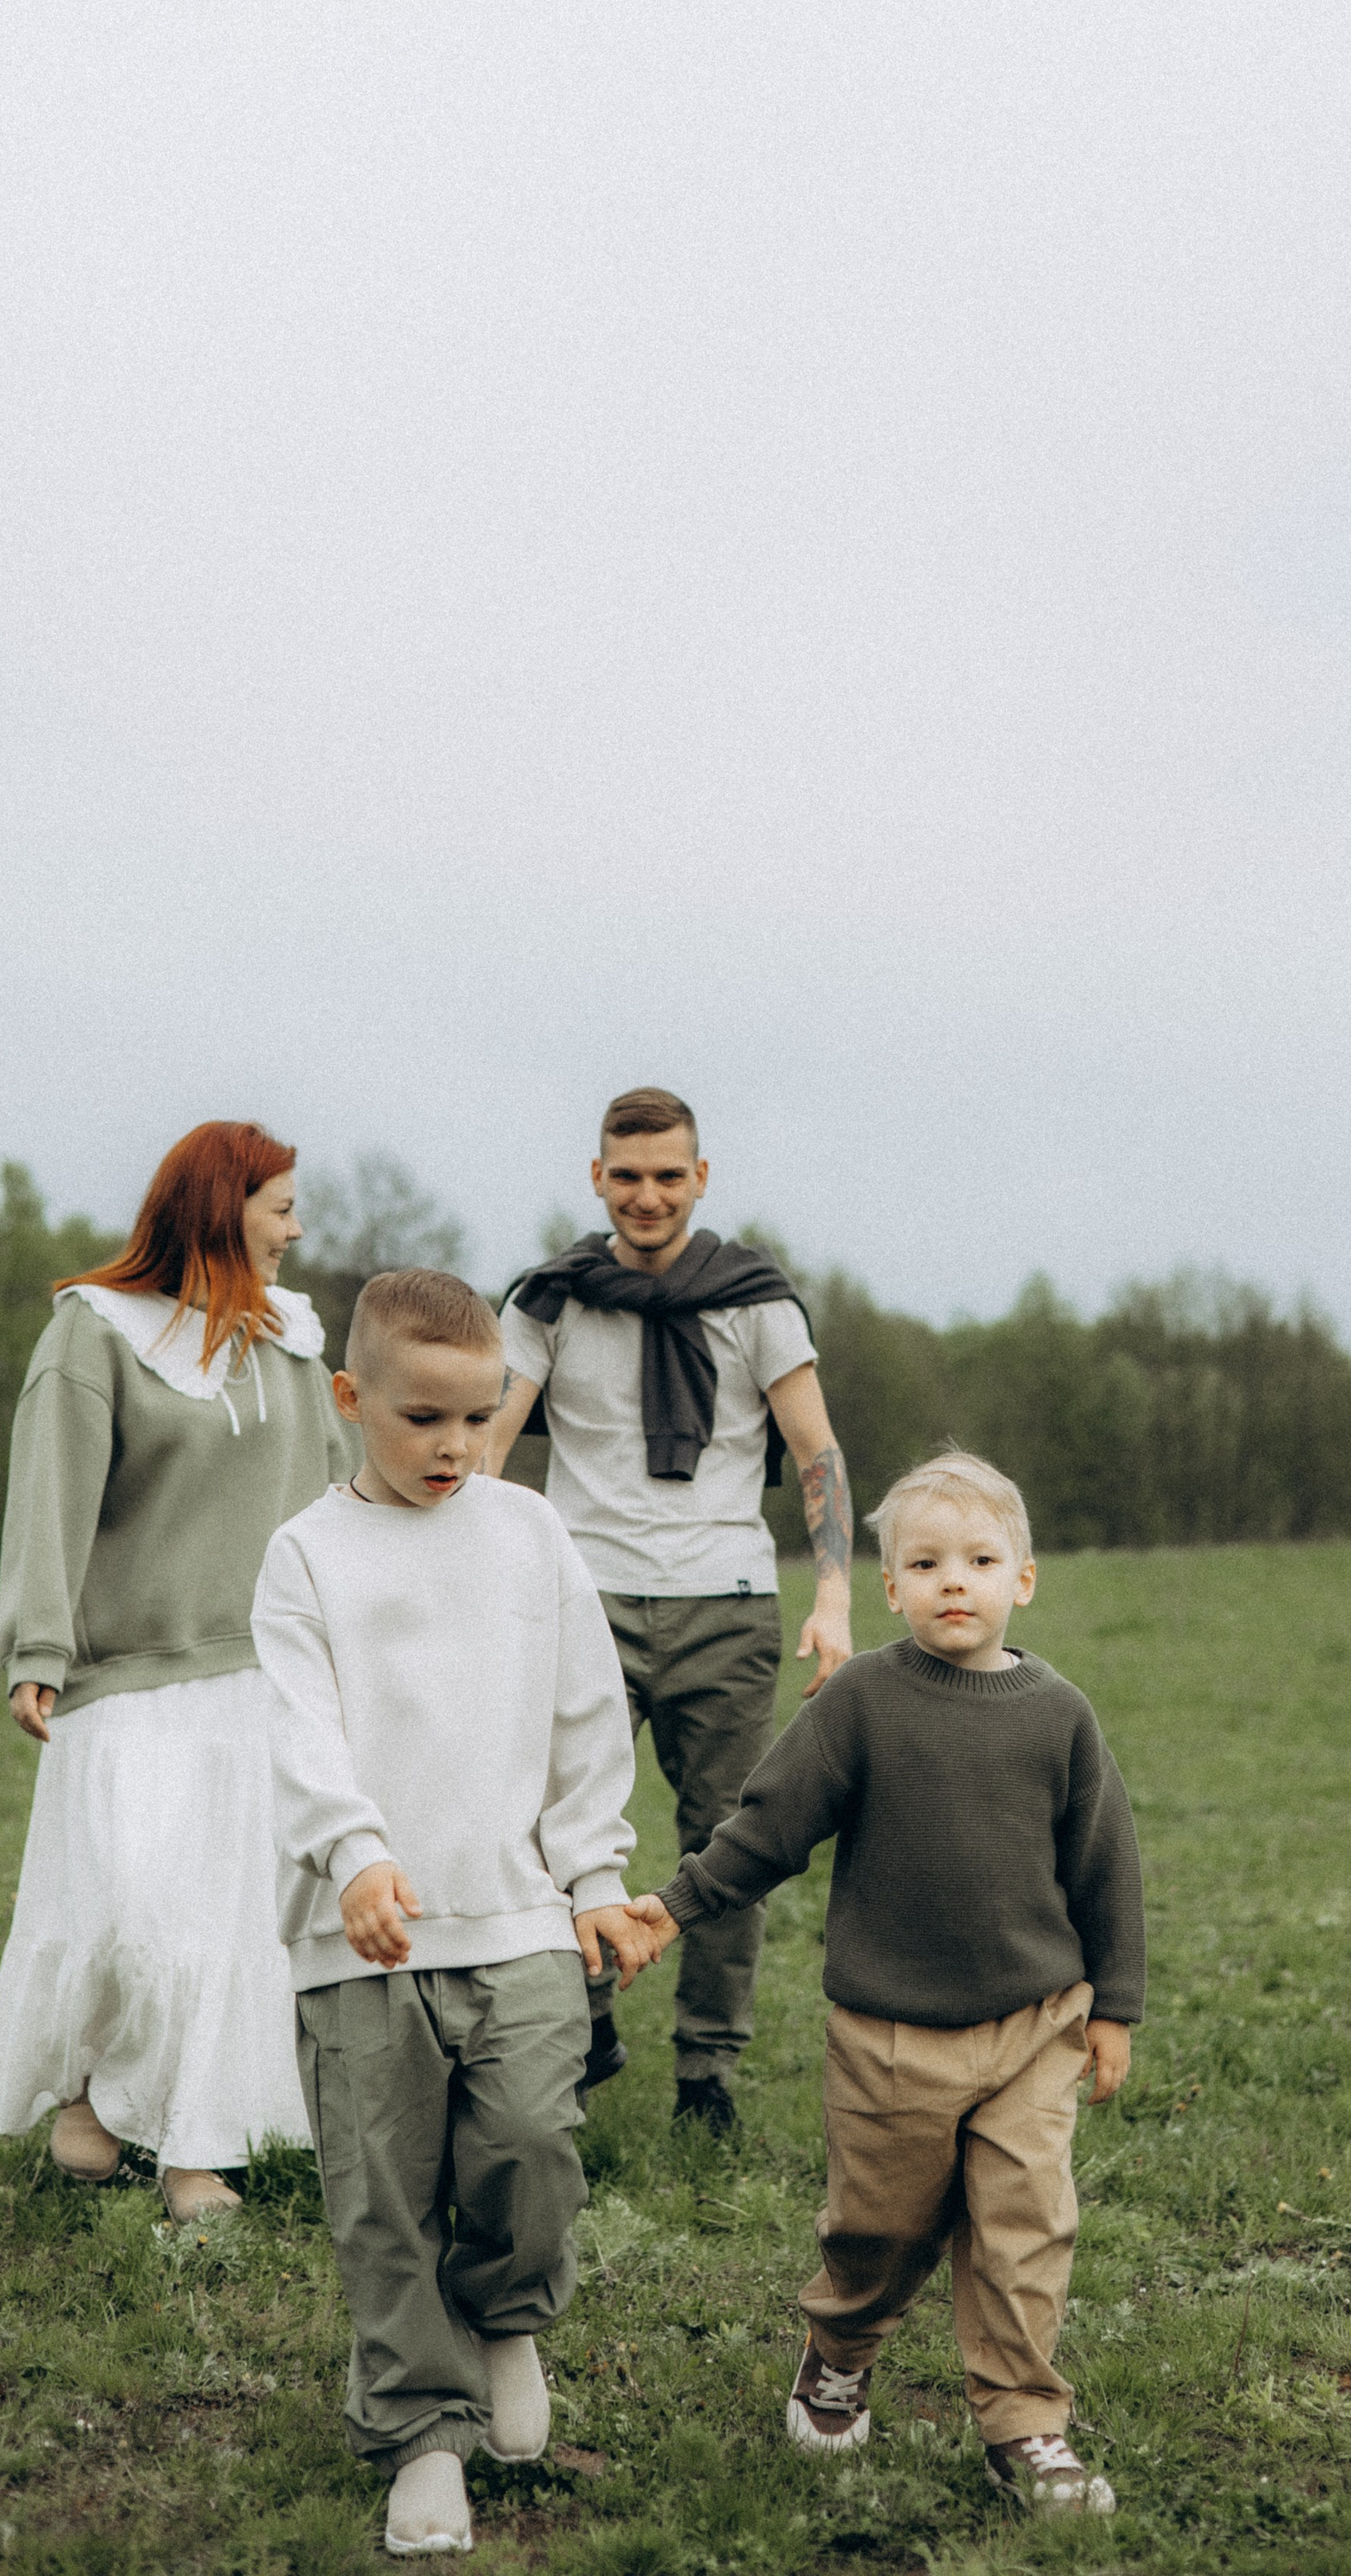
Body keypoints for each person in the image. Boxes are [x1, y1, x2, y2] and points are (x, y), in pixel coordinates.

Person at [629, 1450, 1145, 2515]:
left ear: (1025, 1579)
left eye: (981, 1559)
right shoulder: (863, 1700)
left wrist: (1115, 2010)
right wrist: (676, 1907)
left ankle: (1026, 2429)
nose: (955, 1581)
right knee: (882, 2228)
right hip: (890, 2036)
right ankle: (841, 2350)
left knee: (1025, 2226)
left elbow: (1106, 1869)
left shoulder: (1060, 1717)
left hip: (1035, 2024)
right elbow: (770, 1826)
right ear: (891, 1587)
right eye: (926, 1562)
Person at [252, 1267, 656, 2561]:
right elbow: (301, 1729)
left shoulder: (529, 1534)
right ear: (351, 1397)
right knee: (384, 2200)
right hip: (358, 1934)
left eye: (481, 1420)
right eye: (424, 1419)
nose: (458, 1448)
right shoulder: (306, 1555)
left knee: (531, 2143)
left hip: (521, 1918)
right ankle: (423, 2436)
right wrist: (356, 1858)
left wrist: (594, 1876)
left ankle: (506, 2323)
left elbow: (587, 1714)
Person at [0, 1120, 355, 2223]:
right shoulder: (94, 1335)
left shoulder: (293, 1338)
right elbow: (50, 1497)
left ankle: (199, 2153)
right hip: (125, 1673)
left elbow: (339, 1505)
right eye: (280, 1205)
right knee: (128, 1911)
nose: (296, 1228)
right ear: (222, 1206)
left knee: (225, 1923)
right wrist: (36, 1646)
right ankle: (89, 2092)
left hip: (263, 1673)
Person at [487, 1085, 855, 2135]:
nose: (647, 1197)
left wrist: (832, 1597)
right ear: (598, 1178)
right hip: (582, 1597)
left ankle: (707, 2073)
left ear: (701, 1178)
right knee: (543, 1821)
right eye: (628, 1176)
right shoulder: (549, 1301)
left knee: (728, 1839)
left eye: (668, 1176)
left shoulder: (755, 1303)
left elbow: (817, 1452)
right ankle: (584, 2016)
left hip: (727, 1602)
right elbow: (486, 1444)